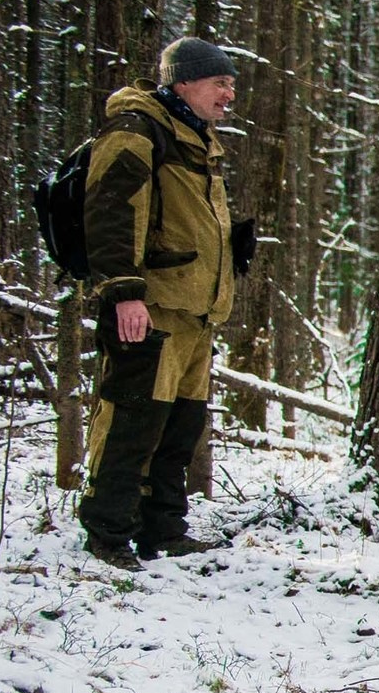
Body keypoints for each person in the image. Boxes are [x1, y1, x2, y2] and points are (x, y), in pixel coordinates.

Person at [76, 37, 254, 571]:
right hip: (150, 309)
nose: (229, 94)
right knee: (132, 421)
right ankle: (107, 534)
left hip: (195, 313)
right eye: (219, 82)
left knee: (179, 428)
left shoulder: (197, 137)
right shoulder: (136, 131)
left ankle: (163, 530)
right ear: (183, 82)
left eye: (231, 84)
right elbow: (111, 213)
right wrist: (124, 294)